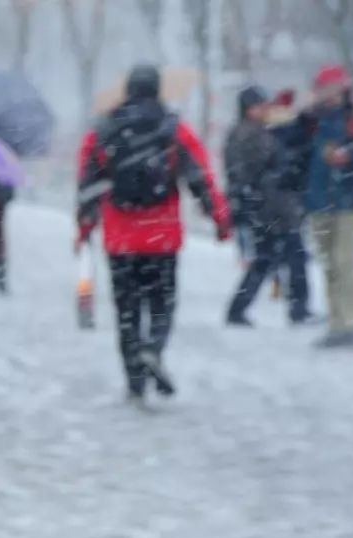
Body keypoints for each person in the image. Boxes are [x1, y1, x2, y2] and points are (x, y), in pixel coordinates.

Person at [76, 64, 231, 404]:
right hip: (161, 236)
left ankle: (134, 379)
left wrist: (83, 228)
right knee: (162, 304)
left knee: (126, 310)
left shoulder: (102, 130)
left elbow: (87, 185)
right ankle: (154, 349)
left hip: (120, 238)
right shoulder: (173, 129)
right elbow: (199, 176)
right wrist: (220, 218)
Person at [301, 65, 353, 348]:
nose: (326, 94)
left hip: (348, 201)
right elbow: (291, 144)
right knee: (329, 266)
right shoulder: (313, 119)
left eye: (330, 88)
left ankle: (350, 324)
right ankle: (337, 323)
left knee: (344, 263)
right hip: (318, 201)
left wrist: (349, 154)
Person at [224, 86, 310, 326]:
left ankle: (240, 308)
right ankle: (297, 308)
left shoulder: (250, 132)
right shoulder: (250, 134)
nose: (264, 110)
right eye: (259, 105)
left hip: (267, 207)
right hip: (270, 208)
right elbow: (259, 170)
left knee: (269, 259)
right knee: (288, 256)